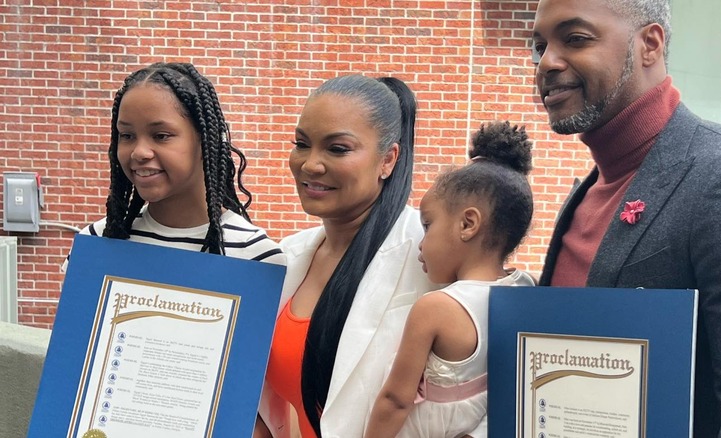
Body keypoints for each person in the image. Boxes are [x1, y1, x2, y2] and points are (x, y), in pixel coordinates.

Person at [532, 0, 721, 436]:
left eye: (575, 39)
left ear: (650, 44)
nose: (547, 62)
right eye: (539, 46)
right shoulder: (586, 193)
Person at [255, 74, 442, 438]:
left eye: (337, 149)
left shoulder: (430, 258)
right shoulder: (286, 257)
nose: (310, 165)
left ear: (388, 160)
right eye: (301, 144)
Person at [364, 121, 536, 438]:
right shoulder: (527, 289)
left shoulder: (437, 308)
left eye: (428, 225)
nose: (420, 242)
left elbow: (395, 400)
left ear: (468, 224)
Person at [70, 62, 284, 265]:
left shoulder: (257, 256)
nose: (139, 152)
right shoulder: (96, 242)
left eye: (161, 135)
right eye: (126, 135)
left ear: (205, 140)